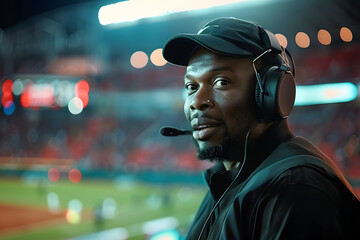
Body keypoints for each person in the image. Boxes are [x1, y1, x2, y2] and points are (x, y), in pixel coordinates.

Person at [162, 17, 360, 239]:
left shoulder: (294, 188)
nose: (196, 101)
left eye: (221, 82)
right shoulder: (227, 178)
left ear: (269, 92)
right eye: (191, 86)